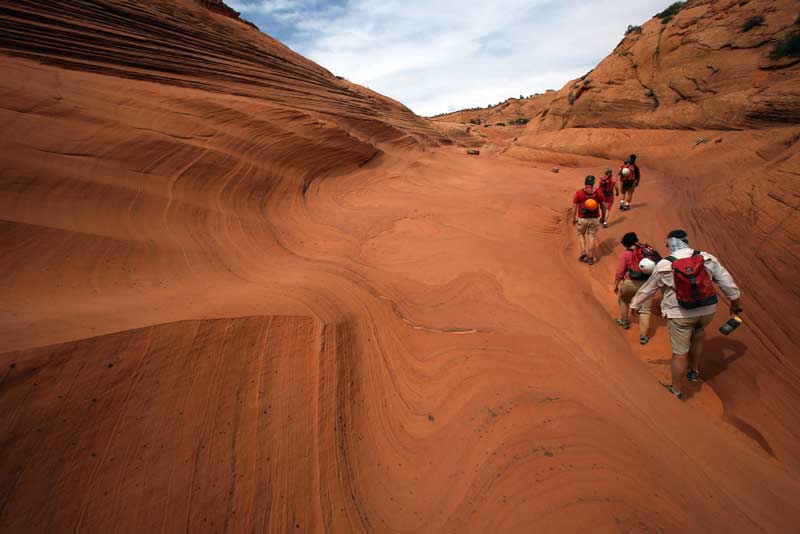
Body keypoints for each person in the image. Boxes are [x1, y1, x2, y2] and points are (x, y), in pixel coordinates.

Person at [630, 230, 742, 399]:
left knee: (679, 352)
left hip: (680, 314)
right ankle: (694, 371)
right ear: (686, 241)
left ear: (669, 245)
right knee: (698, 335)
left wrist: (634, 303)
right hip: (707, 310)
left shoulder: (664, 264)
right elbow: (728, 284)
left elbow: (649, 288)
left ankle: (676, 389)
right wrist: (735, 305)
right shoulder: (706, 258)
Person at [614, 232, 659, 345]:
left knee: (624, 300)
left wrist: (616, 285)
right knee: (645, 311)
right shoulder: (646, 251)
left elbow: (620, 272)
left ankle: (624, 321)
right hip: (647, 284)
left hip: (630, 283)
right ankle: (643, 337)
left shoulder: (625, 254)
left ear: (626, 244)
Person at [572, 175, 607, 265]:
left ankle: (583, 251)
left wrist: (573, 218)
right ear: (593, 183)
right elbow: (603, 206)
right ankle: (590, 258)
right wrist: (603, 217)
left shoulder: (579, 193)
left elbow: (574, 206)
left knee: (580, 234)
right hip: (594, 219)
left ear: (585, 183)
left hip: (582, 218)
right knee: (591, 237)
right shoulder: (598, 192)